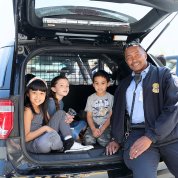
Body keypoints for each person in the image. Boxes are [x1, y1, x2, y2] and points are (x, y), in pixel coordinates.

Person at [106, 41, 178, 178]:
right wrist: (115, 138)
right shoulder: (124, 84)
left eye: (137, 54)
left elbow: (174, 107)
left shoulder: (164, 75)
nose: (133, 59)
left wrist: (151, 136)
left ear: (145, 55)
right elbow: (117, 114)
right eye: (129, 57)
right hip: (137, 135)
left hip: (171, 136)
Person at [24, 77, 93, 153]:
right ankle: (63, 145)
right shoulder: (28, 110)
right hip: (34, 143)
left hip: (42, 137)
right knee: (49, 139)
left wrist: (65, 119)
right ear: (27, 93)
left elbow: (52, 123)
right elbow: (26, 138)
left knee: (61, 113)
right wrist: (45, 128)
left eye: (41, 93)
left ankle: (69, 142)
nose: (38, 97)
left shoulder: (42, 107)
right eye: (34, 93)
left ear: (45, 95)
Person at [48, 75, 87, 141]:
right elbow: (52, 123)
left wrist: (67, 120)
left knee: (83, 123)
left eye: (67, 86)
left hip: (61, 128)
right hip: (52, 132)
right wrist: (65, 122)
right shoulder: (50, 102)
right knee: (73, 133)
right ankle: (73, 135)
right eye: (61, 85)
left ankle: (73, 133)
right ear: (53, 89)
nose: (65, 88)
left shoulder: (61, 102)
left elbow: (61, 120)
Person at [84, 70, 114, 147]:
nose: (99, 86)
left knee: (104, 142)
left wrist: (103, 128)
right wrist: (93, 129)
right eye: (96, 83)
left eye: (103, 83)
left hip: (106, 125)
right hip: (93, 125)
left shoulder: (111, 98)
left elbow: (111, 116)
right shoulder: (90, 98)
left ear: (108, 84)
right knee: (88, 140)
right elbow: (89, 116)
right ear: (93, 84)